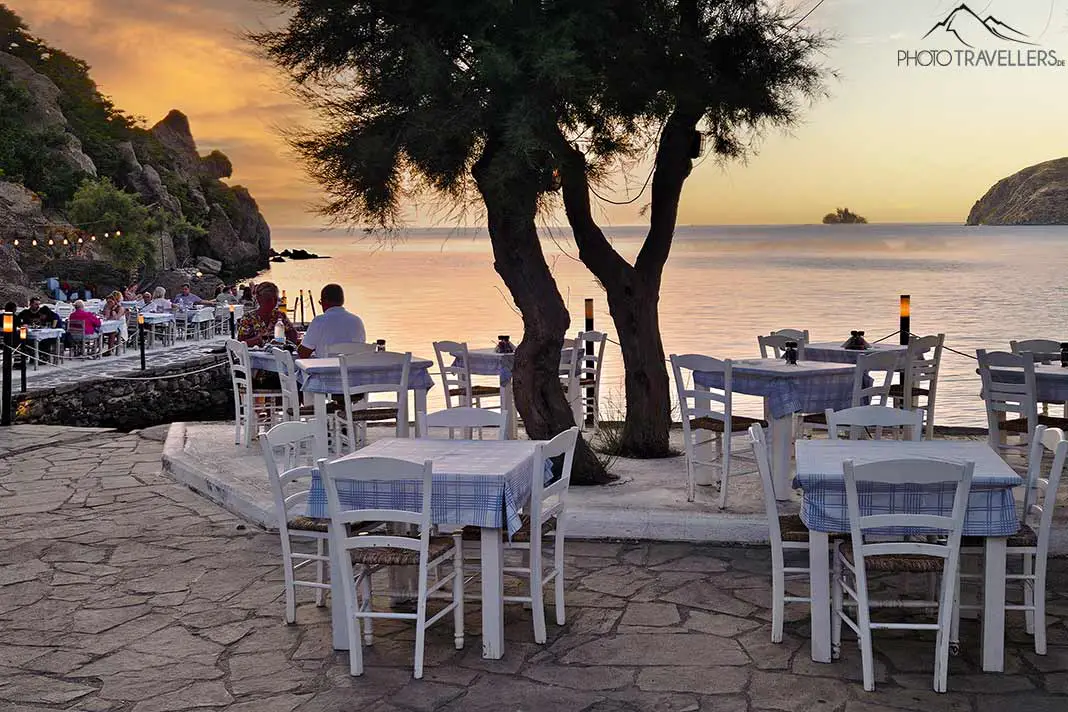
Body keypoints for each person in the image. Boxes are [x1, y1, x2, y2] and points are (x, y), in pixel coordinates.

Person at [297, 284, 367, 358]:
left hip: (326, 368)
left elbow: (303, 353)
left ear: (325, 301)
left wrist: (301, 343)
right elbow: (361, 348)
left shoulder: (319, 321)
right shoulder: (357, 321)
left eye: (321, 302)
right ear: (342, 301)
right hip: (352, 368)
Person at [237, 281, 298, 347]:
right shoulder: (248, 317)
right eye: (269, 300)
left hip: (278, 354)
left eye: (275, 299)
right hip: (254, 356)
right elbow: (240, 344)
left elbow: (294, 338)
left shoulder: (280, 315)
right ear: (259, 299)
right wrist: (256, 340)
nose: (273, 302)